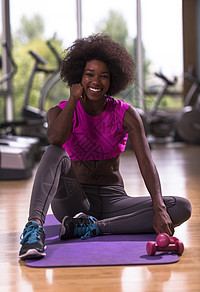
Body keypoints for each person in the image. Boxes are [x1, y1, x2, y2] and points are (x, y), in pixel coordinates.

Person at [19, 34, 191, 260]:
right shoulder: (59, 112)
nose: (96, 81)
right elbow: (56, 139)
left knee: (181, 207)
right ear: (78, 76)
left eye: (104, 76)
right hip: (74, 201)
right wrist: (73, 99)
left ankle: (94, 227)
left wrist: (158, 206)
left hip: (114, 200)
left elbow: (146, 161)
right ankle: (34, 228)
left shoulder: (126, 114)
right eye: (89, 75)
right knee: (54, 152)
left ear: (112, 81)